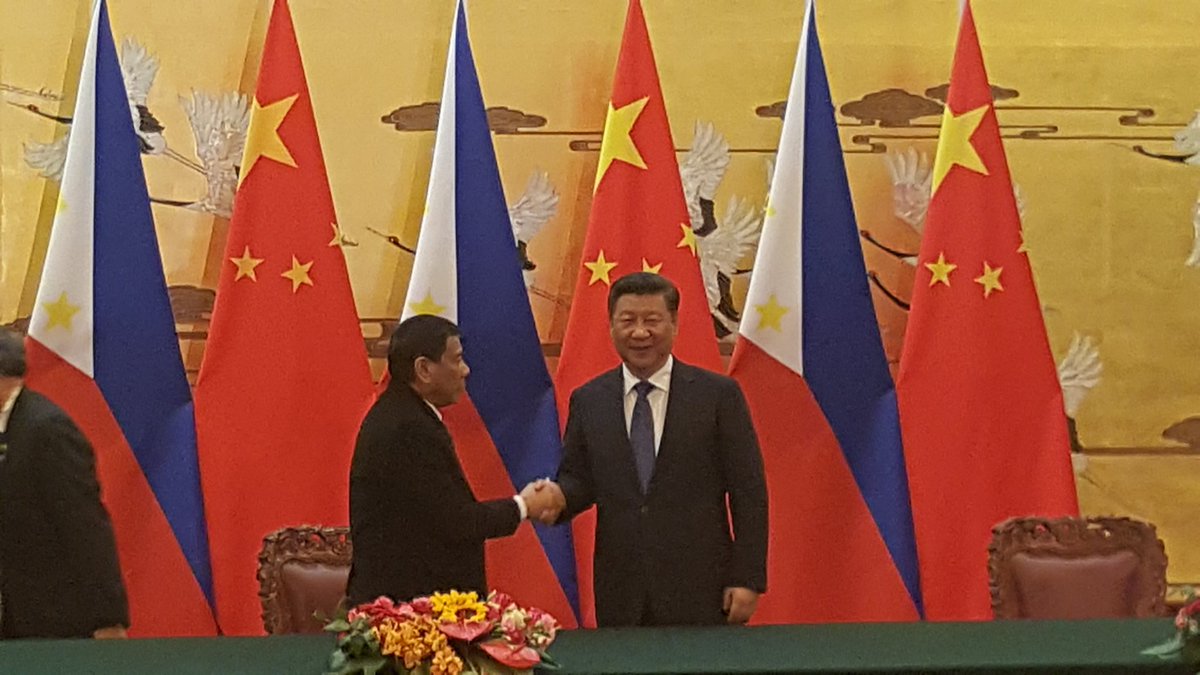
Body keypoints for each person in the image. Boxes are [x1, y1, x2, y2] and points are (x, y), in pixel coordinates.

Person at [540, 272, 768, 626]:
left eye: (652, 320)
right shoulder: (589, 399)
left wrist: (747, 577)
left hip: (702, 586)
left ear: (674, 324)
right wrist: (557, 496)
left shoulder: (718, 396)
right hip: (621, 589)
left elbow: (748, 492)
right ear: (611, 326)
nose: (640, 332)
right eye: (627, 321)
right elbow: (580, 479)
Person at [347, 315, 561, 606]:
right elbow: (458, 522)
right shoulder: (407, 429)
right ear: (424, 369)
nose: (465, 370)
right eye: (457, 360)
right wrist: (524, 506)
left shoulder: (403, 414)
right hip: (409, 614)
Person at [0, 329, 129, 639]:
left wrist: (108, 618)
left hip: (51, 622)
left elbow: (84, 525)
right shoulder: (10, 424)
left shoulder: (46, 429)